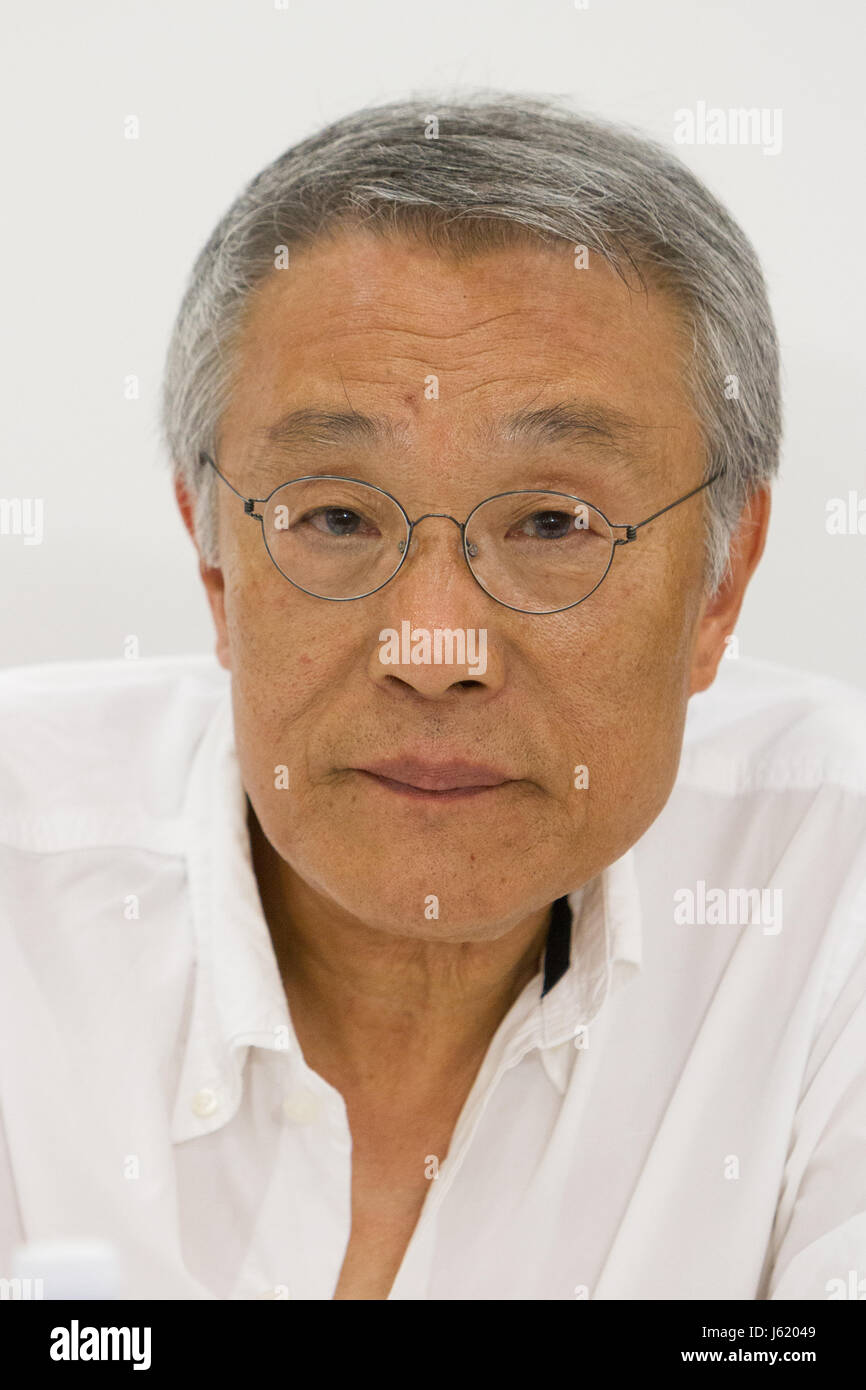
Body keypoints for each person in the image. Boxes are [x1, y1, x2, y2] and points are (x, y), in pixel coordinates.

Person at [1, 94, 865, 1301]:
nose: (433, 644)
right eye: (339, 517)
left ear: (720, 581)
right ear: (212, 560)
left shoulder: (828, 888)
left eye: (556, 523)